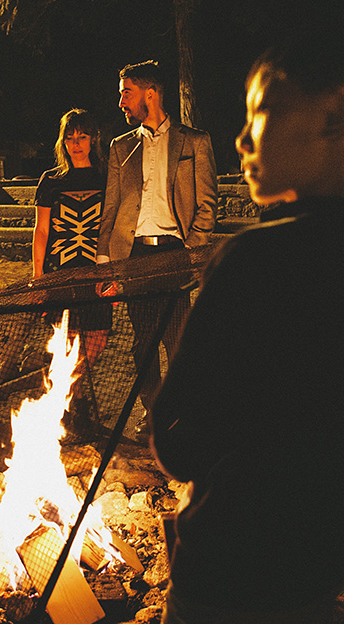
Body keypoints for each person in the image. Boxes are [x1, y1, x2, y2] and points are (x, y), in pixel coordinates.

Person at [151, 33, 344, 623]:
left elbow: (175, 440)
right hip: (317, 569)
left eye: (260, 111)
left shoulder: (251, 259)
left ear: (336, 115)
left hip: (222, 576)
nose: (242, 138)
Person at [97, 60, 217, 420]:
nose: (121, 103)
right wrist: (106, 260)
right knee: (143, 343)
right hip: (134, 257)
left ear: (150, 94)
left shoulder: (194, 141)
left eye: (126, 94)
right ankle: (154, 413)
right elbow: (112, 205)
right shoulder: (121, 147)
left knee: (179, 342)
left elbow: (207, 202)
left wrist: (192, 248)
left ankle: (183, 412)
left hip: (175, 255)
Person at [33, 108, 110, 366]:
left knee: (98, 337)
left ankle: (73, 392)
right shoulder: (51, 180)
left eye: (82, 137)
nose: (75, 144)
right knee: (63, 340)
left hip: (96, 271)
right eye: (70, 138)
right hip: (59, 271)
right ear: (62, 141)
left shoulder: (106, 177)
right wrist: (38, 276)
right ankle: (71, 401)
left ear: (93, 139)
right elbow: (42, 230)